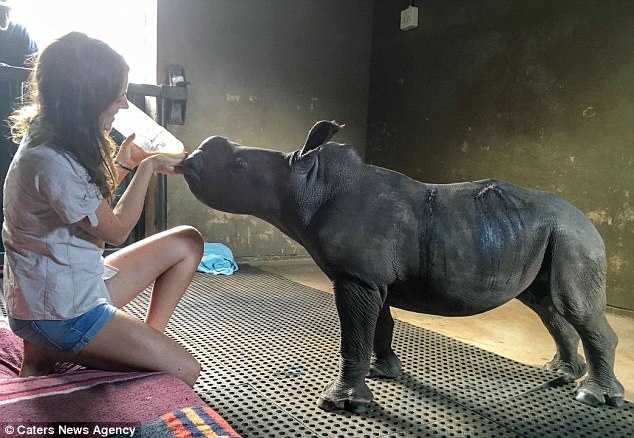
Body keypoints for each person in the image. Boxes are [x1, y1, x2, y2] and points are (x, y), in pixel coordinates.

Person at [2, 32, 204, 386]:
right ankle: (65, 352)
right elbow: (115, 231)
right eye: (118, 96)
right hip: (59, 310)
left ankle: (135, 344)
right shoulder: (52, 160)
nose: (124, 106)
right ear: (86, 100)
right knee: (184, 371)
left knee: (187, 242)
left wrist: (123, 164)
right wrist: (148, 167)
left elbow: (91, 214)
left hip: (66, 283)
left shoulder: (57, 136)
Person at [0, 0, 38, 67]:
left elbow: (32, 65)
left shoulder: (21, 31)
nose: (5, 17)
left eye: (7, 11)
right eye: (1, 11)